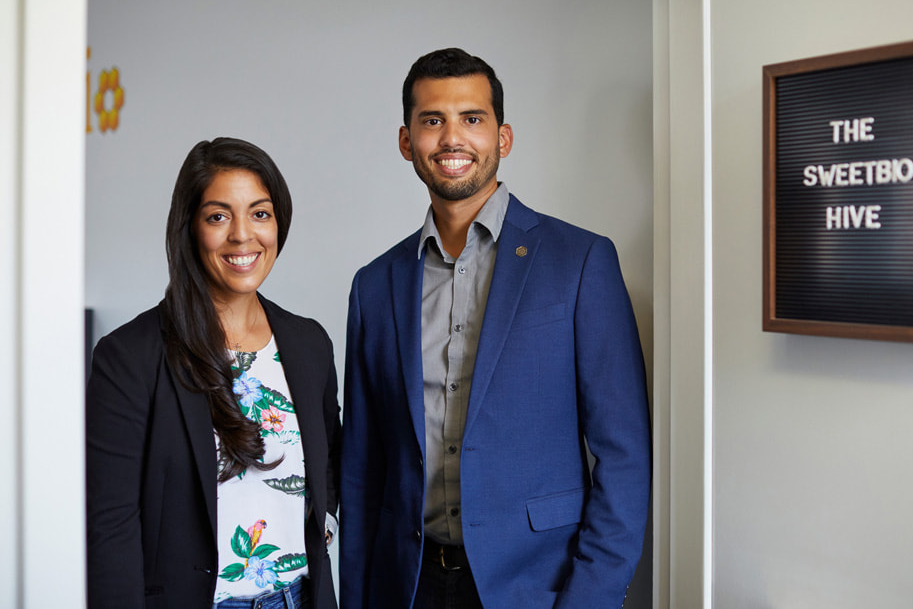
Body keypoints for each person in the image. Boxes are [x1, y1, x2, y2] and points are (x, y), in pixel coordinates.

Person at [340, 48, 651, 609]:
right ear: (407, 141)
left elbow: (624, 455)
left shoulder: (580, 262)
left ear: (502, 138)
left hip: (541, 587)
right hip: (407, 587)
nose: (451, 138)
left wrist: (589, 599)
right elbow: (363, 470)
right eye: (432, 120)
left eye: (472, 118)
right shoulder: (374, 286)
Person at [86, 137, 341, 609]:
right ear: (190, 228)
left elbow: (326, 458)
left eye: (260, 213)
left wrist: (320, 524)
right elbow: (109, 526)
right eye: (218, 216)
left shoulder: (309, 344)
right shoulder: (129, 357)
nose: (243, 235)